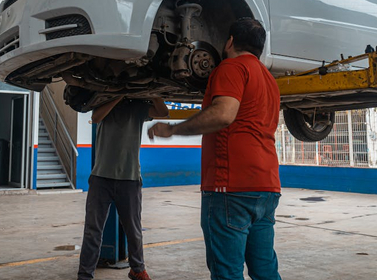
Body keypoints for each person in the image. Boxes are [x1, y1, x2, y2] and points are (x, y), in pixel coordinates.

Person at [148, 18, 282, 280]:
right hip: (266, 187)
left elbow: (223, 114)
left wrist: (172, 130)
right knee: (265, 270)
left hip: (230, 187)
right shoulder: (269, 80)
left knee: (227, 273)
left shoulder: (231, 67)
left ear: (230, 41)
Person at [78, 96, 169, 280]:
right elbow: (95, 118)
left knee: (134, 230)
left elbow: (163, 112)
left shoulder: (138, 107)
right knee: (93, 230)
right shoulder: (104, 103)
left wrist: (154, 94)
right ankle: (85, 275)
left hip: (130, 178)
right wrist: (118, 95)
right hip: (101, 178)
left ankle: (137, 269)